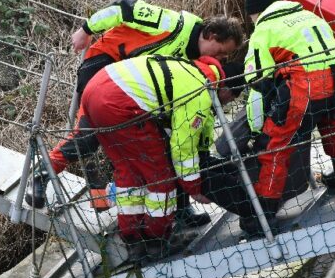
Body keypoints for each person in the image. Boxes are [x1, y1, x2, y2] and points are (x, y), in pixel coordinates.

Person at [27, 0, 245, 225]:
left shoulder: (193, 58)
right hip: (104, 70)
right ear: (211, 36)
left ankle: (179, 209)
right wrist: (86, 29)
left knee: (169, 142)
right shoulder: (171, 24)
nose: (219, 60)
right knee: (87, 139)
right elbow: (124, 8)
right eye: (221, 52)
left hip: (134, 92)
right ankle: (41, 173)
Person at [77, 54, 245, 260]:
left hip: (95, 93)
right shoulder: (201, 90)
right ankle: (156, 241)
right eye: (233, 97)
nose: (229, 103)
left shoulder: (190, 68)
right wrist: (194, 188)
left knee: (129, 174)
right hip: (121, 103)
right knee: (161, 180)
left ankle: (133, 241)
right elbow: (182, 148)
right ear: (226, 89)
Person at [230, 0, 335, 236]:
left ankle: (265, 214)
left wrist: (257, 129)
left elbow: (256, 82)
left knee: (275, 144)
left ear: (254, 13)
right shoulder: (310, 16)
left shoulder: (263, 31)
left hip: (307, 88)